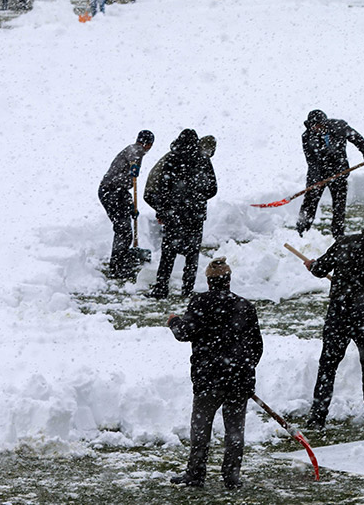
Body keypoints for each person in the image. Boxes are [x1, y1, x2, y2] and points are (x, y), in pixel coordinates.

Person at [168, 257, 263, 490]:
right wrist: (243, 369)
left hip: (209, 378)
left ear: (209, 281)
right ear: (228, 281)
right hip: (238, 379)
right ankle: (232, 476)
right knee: (234, 431)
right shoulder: (245, 306)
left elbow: (184, 333)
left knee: (201, 429)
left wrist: (174, 322)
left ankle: (195, 473)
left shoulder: (200, 303)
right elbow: (257, 347)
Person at [303, 216, 364, 429]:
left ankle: (317, 418)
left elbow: (320, 269)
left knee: (327, 366)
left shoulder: (345, 243)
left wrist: (312, 265)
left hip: (339, 314)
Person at [147, 129, 218, 299]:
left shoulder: (171, 159)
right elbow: (212, 188)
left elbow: (162, 188)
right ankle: (187, 290)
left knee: (168, 253)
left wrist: (165, 209)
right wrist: (198, 197)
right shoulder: (203, 160)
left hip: (174, 214)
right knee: (192, 254)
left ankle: (161, 288)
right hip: (195, 215)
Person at [297, 110, 364, 239]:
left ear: (325, 123)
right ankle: (301, 229)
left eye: (320, 125)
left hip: (339, 171)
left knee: (339, 205)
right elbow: (311, 160)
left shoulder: (340, 127)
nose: (317, 129)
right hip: (317, 174)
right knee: (309, 202)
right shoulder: (307, 136)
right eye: (314, 126)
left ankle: (338, 234)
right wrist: (318, 180)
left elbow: (357, 139)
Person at [99, 130, 154, 280]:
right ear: (147, 144)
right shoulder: (135, 150)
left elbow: (126, 186)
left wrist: (131, 205)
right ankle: (116, 267)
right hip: (111, 192)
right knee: (123, 230)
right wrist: (134, 166)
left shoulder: (137, 151)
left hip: (117, 192)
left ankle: (121, 259)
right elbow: (132, 155)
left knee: (124, 230)